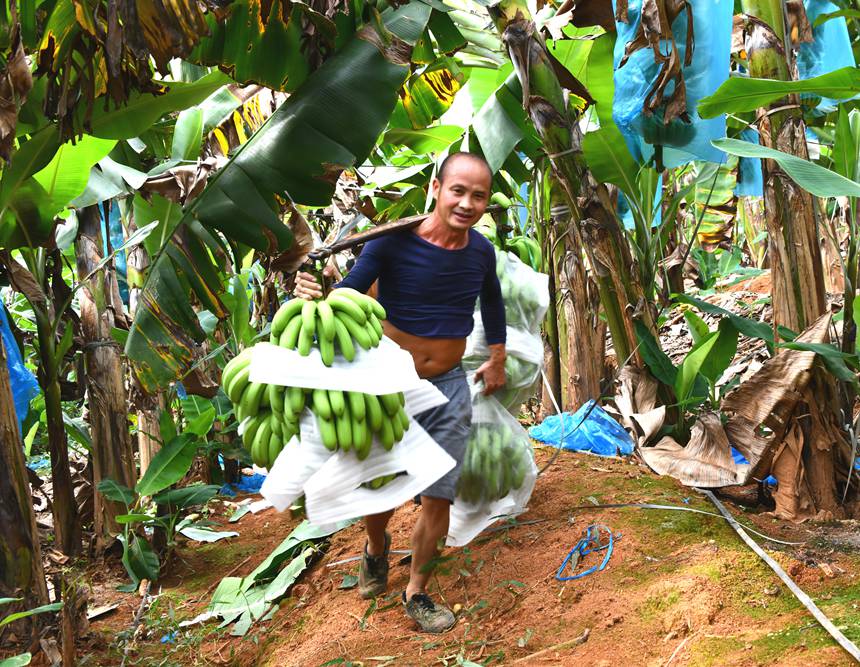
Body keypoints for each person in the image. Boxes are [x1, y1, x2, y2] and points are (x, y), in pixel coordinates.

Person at [294, 151, 506, 633]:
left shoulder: (480, 252)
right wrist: (313, 295)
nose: (467, 203)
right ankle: (375, 548)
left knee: (439, 494)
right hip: (389, 385)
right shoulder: (391, 244)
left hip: (449, 385)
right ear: (437, 188)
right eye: (458, 191)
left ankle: (418, 590)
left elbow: (490, 298)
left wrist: (497, 355)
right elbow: (347, 293)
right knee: (383, 482)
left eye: (478, 195)